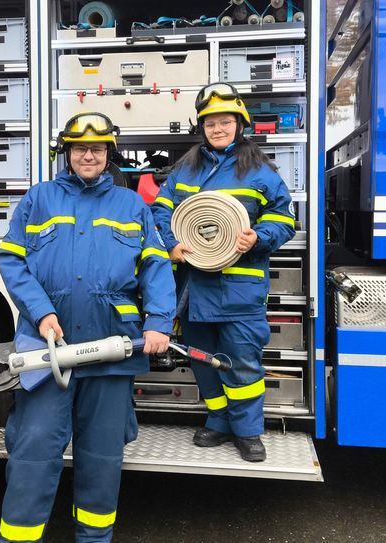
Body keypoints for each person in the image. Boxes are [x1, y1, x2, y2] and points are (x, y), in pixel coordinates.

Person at [0, 112, 176, 542]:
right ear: (68, 153)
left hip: (111, 351)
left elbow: (155, 266)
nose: (89, 156)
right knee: (32, 455)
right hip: (48, 352)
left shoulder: (131, 205)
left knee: (101, 461)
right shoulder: (39, 199)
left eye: (97, 149)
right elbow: (11, 259)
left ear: (109, 154)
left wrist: (159, 321)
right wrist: (41, 312)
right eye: (80, 148)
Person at [151, 83, 296, 462]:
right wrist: (171, 244)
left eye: (225, 122)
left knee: (243, 362)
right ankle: (218, 422)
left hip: (239, 289)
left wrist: (258, 238)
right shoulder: (186, 167)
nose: (218, 129)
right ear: (203, 127)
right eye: (211, 123)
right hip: (194, 288)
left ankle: (247, 431)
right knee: (202, 360)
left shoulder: (260, 171)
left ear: (239, 124)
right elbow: (161, 210)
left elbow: (284, 219)